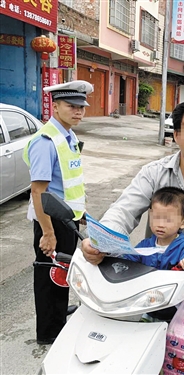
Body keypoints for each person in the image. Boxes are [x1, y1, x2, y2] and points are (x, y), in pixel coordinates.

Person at [81, 99, 184, 301]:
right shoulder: (154, 173)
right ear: (176, 135)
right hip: (153, 277)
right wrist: (100, 241)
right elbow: (123, 211)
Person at [23, 80, 93, 345]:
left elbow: (69, 181)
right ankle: (48, 333)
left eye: (81, 107)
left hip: (67, 218)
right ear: (55, 106)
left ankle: (58, 318)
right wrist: (48, 232)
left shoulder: (68, 135)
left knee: (62, 273)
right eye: (71, 106)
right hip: (50, 220)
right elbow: (39, 191)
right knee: (48, 276)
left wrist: (80, 212)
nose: (78, 112)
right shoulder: (46, 141)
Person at [123, 186, 184, 281]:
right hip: (147, 290)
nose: (161, 225)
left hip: (173, 292)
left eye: (168, 220)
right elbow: (128, 260)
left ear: (183, 223)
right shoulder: (145, 245)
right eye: (156, 218)